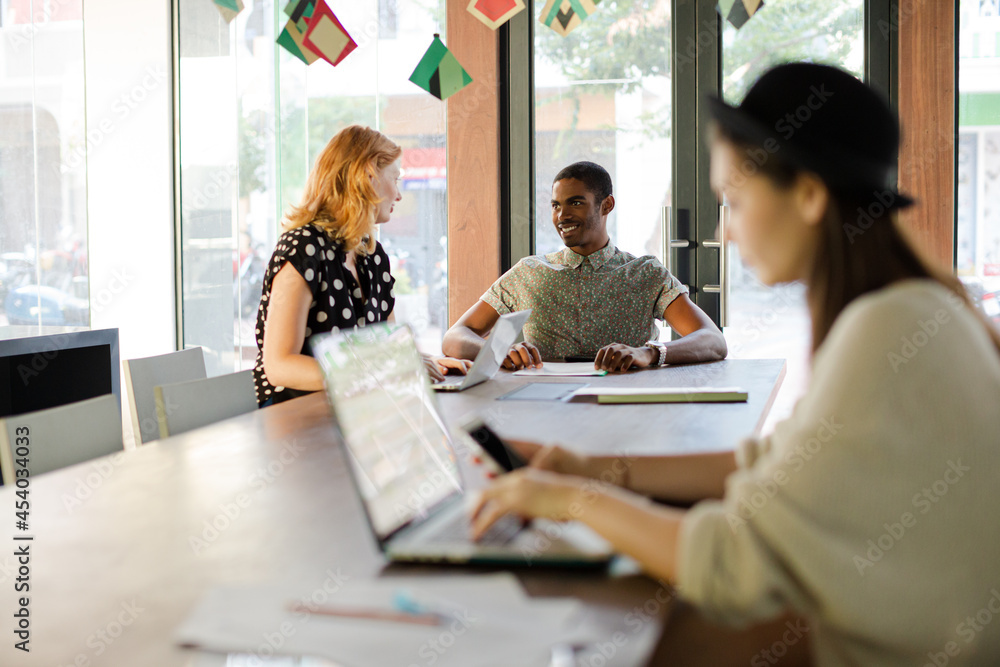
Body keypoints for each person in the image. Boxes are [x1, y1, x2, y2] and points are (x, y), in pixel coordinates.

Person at [470, 63, 1000, 664]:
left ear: (808, 195)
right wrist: (590, 466)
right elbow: (774, 465)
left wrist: (562, 497)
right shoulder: (914, 310)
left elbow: (733, 564)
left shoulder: (885, 331)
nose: (724, 230)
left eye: (736, 200)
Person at [253, 125, 469, 406]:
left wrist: (422, 363)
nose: (399, 195)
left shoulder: (374, 256)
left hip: (356, 411)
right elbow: (280, 366)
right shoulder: (303, 247)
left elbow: (389, 350)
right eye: (395, 178)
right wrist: (382, 371)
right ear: (367, 177)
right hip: (292, 416)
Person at [441, 161, 727, 372]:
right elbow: (455, 337)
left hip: (626, 405)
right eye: (555, 206)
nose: (562, 215)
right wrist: (497, 351)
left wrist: (649, 354)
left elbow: (713, 340)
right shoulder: (528, 272)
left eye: (575, 203)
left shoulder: (645, 273)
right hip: (543, 406)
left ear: (607, 205)